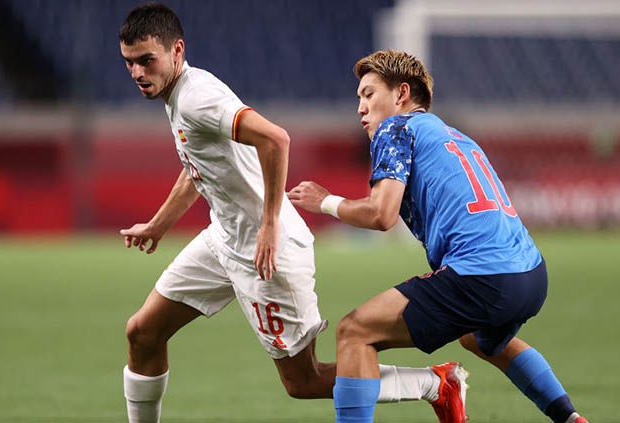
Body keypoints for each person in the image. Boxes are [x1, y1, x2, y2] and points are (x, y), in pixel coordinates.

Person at [117, 4, 467, 423]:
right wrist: (159, 224)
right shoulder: (181, 94)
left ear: (176, 51)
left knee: (304, 382)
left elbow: (276, 140)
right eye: (130, 63)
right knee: (143, 331)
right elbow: (199, 165)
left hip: (268, 252)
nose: (137, 72)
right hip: (224, 239)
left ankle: (436, 383)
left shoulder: (196, 98)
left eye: (146, 60)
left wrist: (268, 225)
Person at [288, 49, 589, 423]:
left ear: (401, 95)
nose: (361, 108)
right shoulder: (454, 135)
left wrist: (326, 201)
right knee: (478, 339)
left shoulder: (395, 128)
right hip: (530, 275)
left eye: (368, 94)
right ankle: (569, 418)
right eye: (358, 99)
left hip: (483, 276)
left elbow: (382, 215)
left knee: (355, 331)